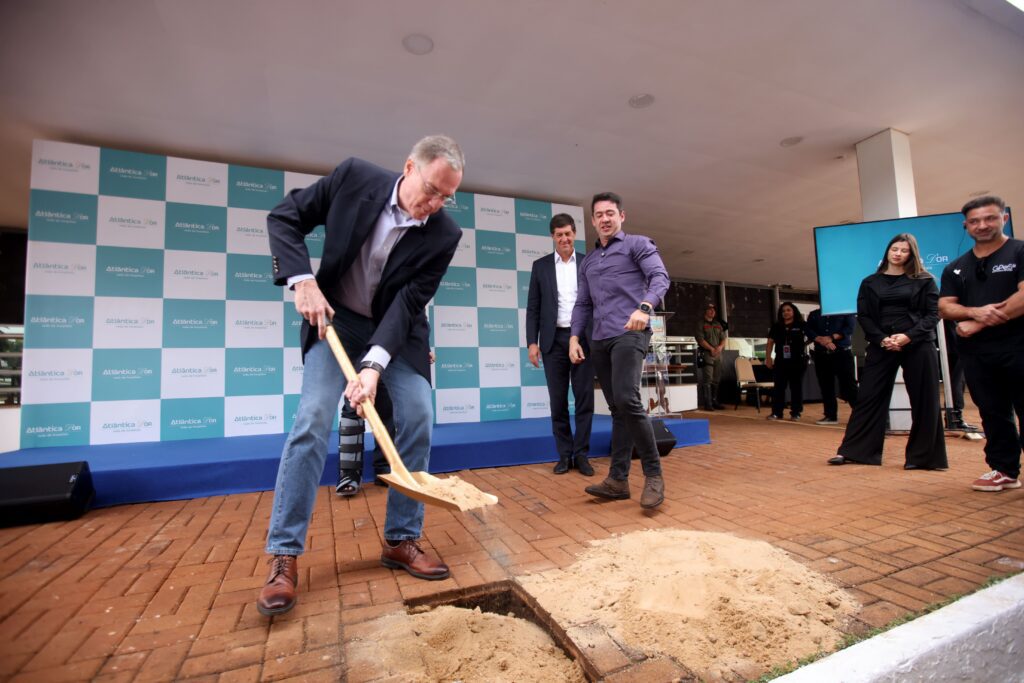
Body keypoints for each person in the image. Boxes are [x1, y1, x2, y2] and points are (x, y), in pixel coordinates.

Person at [258, 135, 465, 616]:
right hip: (334, 318)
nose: (433, 206)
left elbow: (409, 303)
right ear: (409, 167)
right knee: (311, 419)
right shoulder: (354, 178)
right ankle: (283, 555)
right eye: (431, 190)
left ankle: (401, 539)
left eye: (445, 198)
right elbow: (284, 217)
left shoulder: (444, 235)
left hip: (395, 332)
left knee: (417, 414)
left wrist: (374, 365)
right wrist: (302, 279)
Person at [569, 192, 670, 509]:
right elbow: (583, 303)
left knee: (628, 399)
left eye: (610, 213)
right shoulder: (588, 261)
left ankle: (653, 475)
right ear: (593, 220)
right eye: (599, 214)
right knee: (617, 410)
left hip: (630, 331)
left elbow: (660, 277)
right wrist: (574, 337)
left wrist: (644, 308)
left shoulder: (637, 244)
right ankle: (617, 480)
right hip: (599, 339)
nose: (605, 219)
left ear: (621, 216)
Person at [828, 233, 947, 470]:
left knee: (925, 399)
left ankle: (924, 458)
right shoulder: (870, 282)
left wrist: (907, 337)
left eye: (904, 250)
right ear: (887, 251)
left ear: (911, 254)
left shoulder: (925, 280)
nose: (898, 253)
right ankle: (855, 452)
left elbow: (933, 314)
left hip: (917, 344)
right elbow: (864, 316)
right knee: (868, 397)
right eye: (895, 249)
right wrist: (882, 339)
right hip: (882, 345)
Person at [939, 195, 1023, 492]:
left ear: (1005, 219)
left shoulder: (1019, 251)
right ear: (966, 226)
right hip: (978, 354)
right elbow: (946, 307)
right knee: (992, 411)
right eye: (975, 221)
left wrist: (976, 322)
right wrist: (974, 311)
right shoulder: (955, 267)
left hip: (1018, 347)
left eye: (990, 218)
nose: (982, 225)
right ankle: (1004, 469)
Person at [526, 214, 595, 476]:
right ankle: (565, 455)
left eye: (568, 233)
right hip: (553, 341)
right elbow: (533, 307)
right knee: (558, 402)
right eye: (559, 234)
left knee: (584, 400)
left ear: (574, 234)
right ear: (552, 237)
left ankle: (583, 454)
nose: (564, 238)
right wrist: (532, 342)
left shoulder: (588, 263)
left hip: (583, 340)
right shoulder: (540, 266)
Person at [805, 308, 859, 425]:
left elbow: (850, 328)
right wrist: (819, 339)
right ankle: (830, 416)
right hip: (822, 354)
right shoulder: (814, 314)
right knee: (826, 386)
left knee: (848, 385)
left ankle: (861, 415)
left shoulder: (845, 311)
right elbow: (808, 330)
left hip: (842, 353)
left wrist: (831, 338)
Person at [765, 302, 810, 421]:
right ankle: (776, 412)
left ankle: (796, 412)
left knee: (796, 387)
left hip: (797, 361)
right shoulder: (776, 326)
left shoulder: (802, 324)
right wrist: (768, 357)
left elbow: (812, 337)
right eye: (783, 311)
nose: (786, 312)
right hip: (781, 360)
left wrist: (803, 345)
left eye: (788, 310)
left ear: (794, 311)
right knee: (779, 387)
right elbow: (770, 343)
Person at [941, 320, 977, 431]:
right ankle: (955, 418)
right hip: (953, 343)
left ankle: (955, 417)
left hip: (948, 342)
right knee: (957, 381)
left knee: (957, 380)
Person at [695, 302, 727, 410]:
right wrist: (711, 349)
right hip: (707, 353)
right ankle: (708, 403)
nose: (712, 311)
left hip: (718, 354)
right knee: (708, 378)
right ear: (705, 311)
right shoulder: (700, 323)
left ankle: (714, 401)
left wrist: (720, 347)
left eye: (714, 309)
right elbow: (700, 339)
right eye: (710, 309)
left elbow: (723, 338)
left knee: (716, 379)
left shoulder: (718, 324)